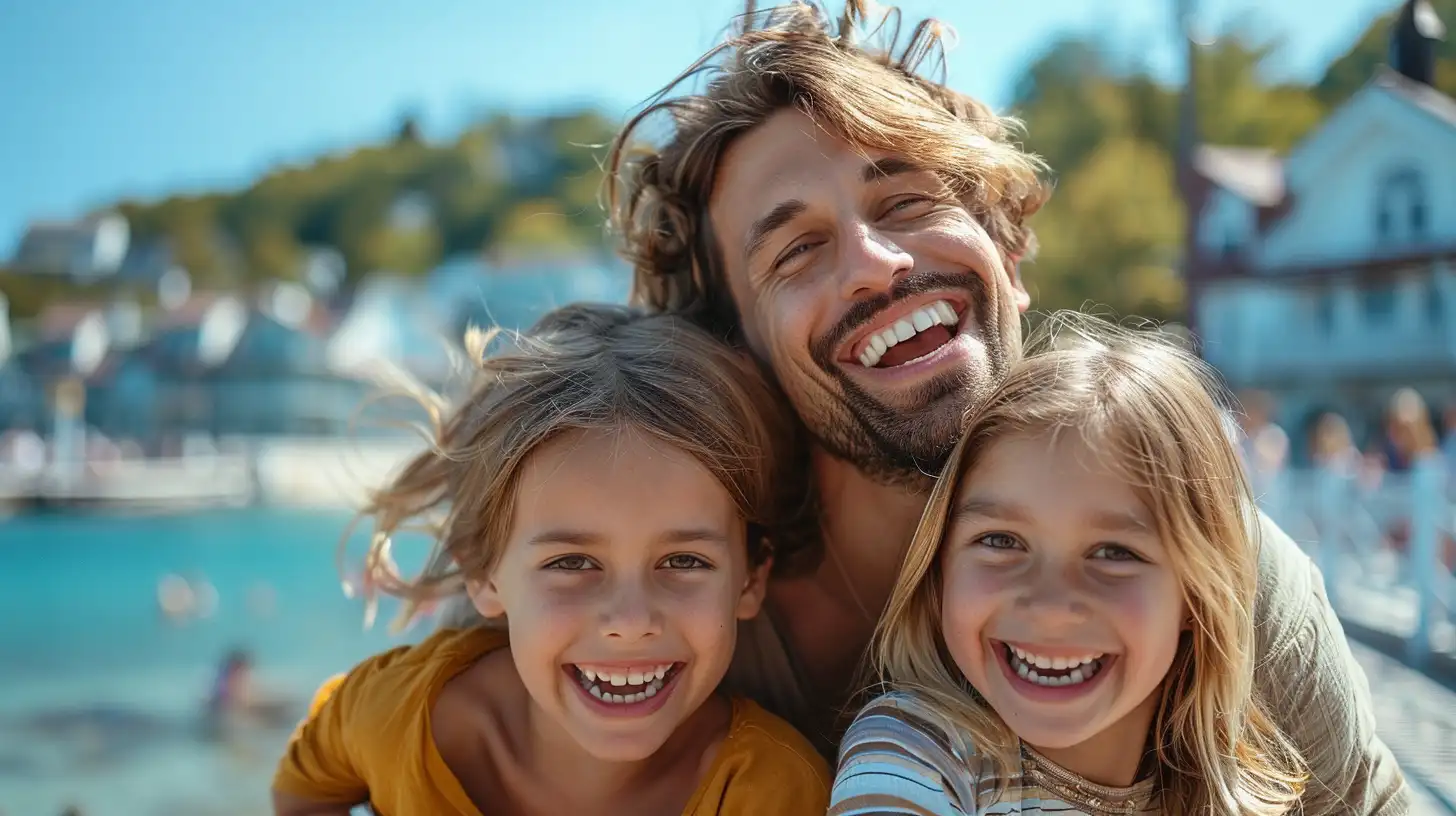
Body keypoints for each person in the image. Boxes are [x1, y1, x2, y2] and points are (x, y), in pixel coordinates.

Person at [595, 0, 1408, 811]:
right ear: (742, 355)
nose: (875, 264)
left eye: (908, 203)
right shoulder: (668, 614)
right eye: (797, 249)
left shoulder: (1217, 567)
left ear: (1009, 251)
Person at [271, 304, 830, 815]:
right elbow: (306, 785)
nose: (631, 622)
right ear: (481, 570)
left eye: (684, 561)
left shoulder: (767, 793)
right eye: (571, 563)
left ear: (751, 577)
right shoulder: (398, 715)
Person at [830, 313, 1307, 814]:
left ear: (1195, 595)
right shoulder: (914, 752)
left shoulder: (1223, 798)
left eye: (1114, 553)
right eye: (1001, 540)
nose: (1050, 606)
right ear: (941, 569)